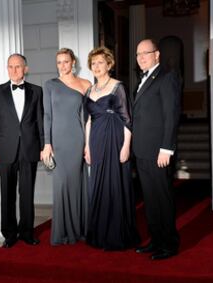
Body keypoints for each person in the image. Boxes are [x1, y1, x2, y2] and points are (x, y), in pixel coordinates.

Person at [0, 53, 44, 248]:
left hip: (29, 149)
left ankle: (27, 232)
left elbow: (40, 122)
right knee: (7, 193)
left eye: (18, 66)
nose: (14, 70)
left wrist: (44, 146)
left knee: (27, 193)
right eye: (10, 66)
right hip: (5, 150)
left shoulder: (37, 91)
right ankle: (9, 234)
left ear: (26, 68)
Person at [84, 46, 139, 250]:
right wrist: (87, 147)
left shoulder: (118, 87)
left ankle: (117, 234)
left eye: (100, 62)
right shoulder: (90, 90)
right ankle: (99, 232)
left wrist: (126, 146)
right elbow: (88, 120)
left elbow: (127, 120)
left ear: (109, 64)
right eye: (93, 63)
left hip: (115, 139)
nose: (96, 66)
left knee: (115, 185)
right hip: (96, 140)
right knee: (97, 184)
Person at [132, 39, 181, 260]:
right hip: (142, 151)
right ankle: (156, 240)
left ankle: (169, 244)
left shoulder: (166, 76)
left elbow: (171, 115)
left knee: (162, 198)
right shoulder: (141, 79)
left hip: (159, 151)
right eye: (138, 54)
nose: (141, 57)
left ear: (157, 54)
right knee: (150, 200)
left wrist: (166, 148)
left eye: (146, 53)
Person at [41, 48, 91, 245]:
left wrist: (89, 144)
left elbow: (89, 117)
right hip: (58, 142)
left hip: (78, 139)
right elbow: (47, 115)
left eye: (66, 61)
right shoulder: (50, 85)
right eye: (59, 62)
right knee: (62, 186)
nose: (62, 65)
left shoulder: (85, 84)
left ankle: (80, 229)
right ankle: (64, 232)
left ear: (73, 63)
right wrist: (47, 143)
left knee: (79, 184)